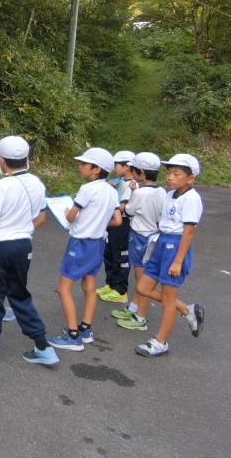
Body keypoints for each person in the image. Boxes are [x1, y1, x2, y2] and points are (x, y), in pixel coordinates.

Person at [0, 136, 59, 366]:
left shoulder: (0, 186)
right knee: (19, 294)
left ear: (2, 160)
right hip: (23, 245)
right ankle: (43, 346)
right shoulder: (37, 183)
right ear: (25, 158)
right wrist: (20, 229)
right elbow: (40, 217)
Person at [49, 147, 122, 352]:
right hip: (98, 243)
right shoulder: (111, 190)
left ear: (96, 169)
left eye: (84, 164)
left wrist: (66, 211)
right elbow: (116, 220)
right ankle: (85, 329)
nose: (80, 167)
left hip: (80, 244)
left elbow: (71, 216)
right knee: (89, 286)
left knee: (63, 288)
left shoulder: (87, 189)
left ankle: (72, 336)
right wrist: (97, 222)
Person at [132, 154, 205, 357]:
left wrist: (178, 260)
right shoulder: (170, 194)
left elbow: (188, 232)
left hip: (176, 246)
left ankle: (160, 342)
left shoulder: (191, 198)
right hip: (162, 242)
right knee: (143, 287)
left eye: (176, 173)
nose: (170, 177)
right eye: (169, 173)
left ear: (190, 178)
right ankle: (187, 309)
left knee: (167, 299)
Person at [112, 152, 166, 331]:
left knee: (141, 278)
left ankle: (140, 317)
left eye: (134, 170)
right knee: (142, 276)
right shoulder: (162, 191)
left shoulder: (140, 193)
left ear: (141, 173)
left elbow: (128, 210)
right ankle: (134, 308)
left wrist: (133, 194)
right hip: (154, 235)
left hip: (139, 236)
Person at [97, 150, 135, 303]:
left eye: (117, 165)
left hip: (123, 224)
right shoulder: (119, 181)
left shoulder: (131, 185)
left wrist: (111, 194)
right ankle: (110, 284)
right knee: (109, 254)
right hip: (112, 222)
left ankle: (121, 291)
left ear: (127, 167)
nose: (114, 168)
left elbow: (121, 207)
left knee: (120, 256)